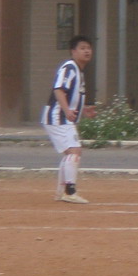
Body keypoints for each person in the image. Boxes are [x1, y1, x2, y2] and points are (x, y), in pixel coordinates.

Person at [41, 35, 94, 204]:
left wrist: (83, 109)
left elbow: (71, 96)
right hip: (57, 116)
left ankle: (61, 192)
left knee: (70, 153)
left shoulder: (78, 71)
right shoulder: (69, 67)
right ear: (73, 51)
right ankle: (70, 192)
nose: (87, 51)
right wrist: (67, 110)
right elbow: (58, 90)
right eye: (82, 48)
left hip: (61, 116)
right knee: (74, 151)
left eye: (89, 48)